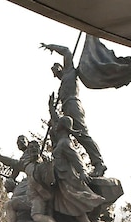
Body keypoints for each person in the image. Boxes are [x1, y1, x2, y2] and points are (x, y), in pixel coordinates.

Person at [43, 42, 106, 176]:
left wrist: (51, 47)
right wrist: (51, 110)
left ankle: (99, 163)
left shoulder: (70, 71)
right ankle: (69, 168)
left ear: (61, 67)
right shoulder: (62, 85)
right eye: (53, 71)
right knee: (65, 136)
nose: (55, 71)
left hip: (73, 104)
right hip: (67, 106)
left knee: (82, 134)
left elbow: (66, 50)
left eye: (56, 68)